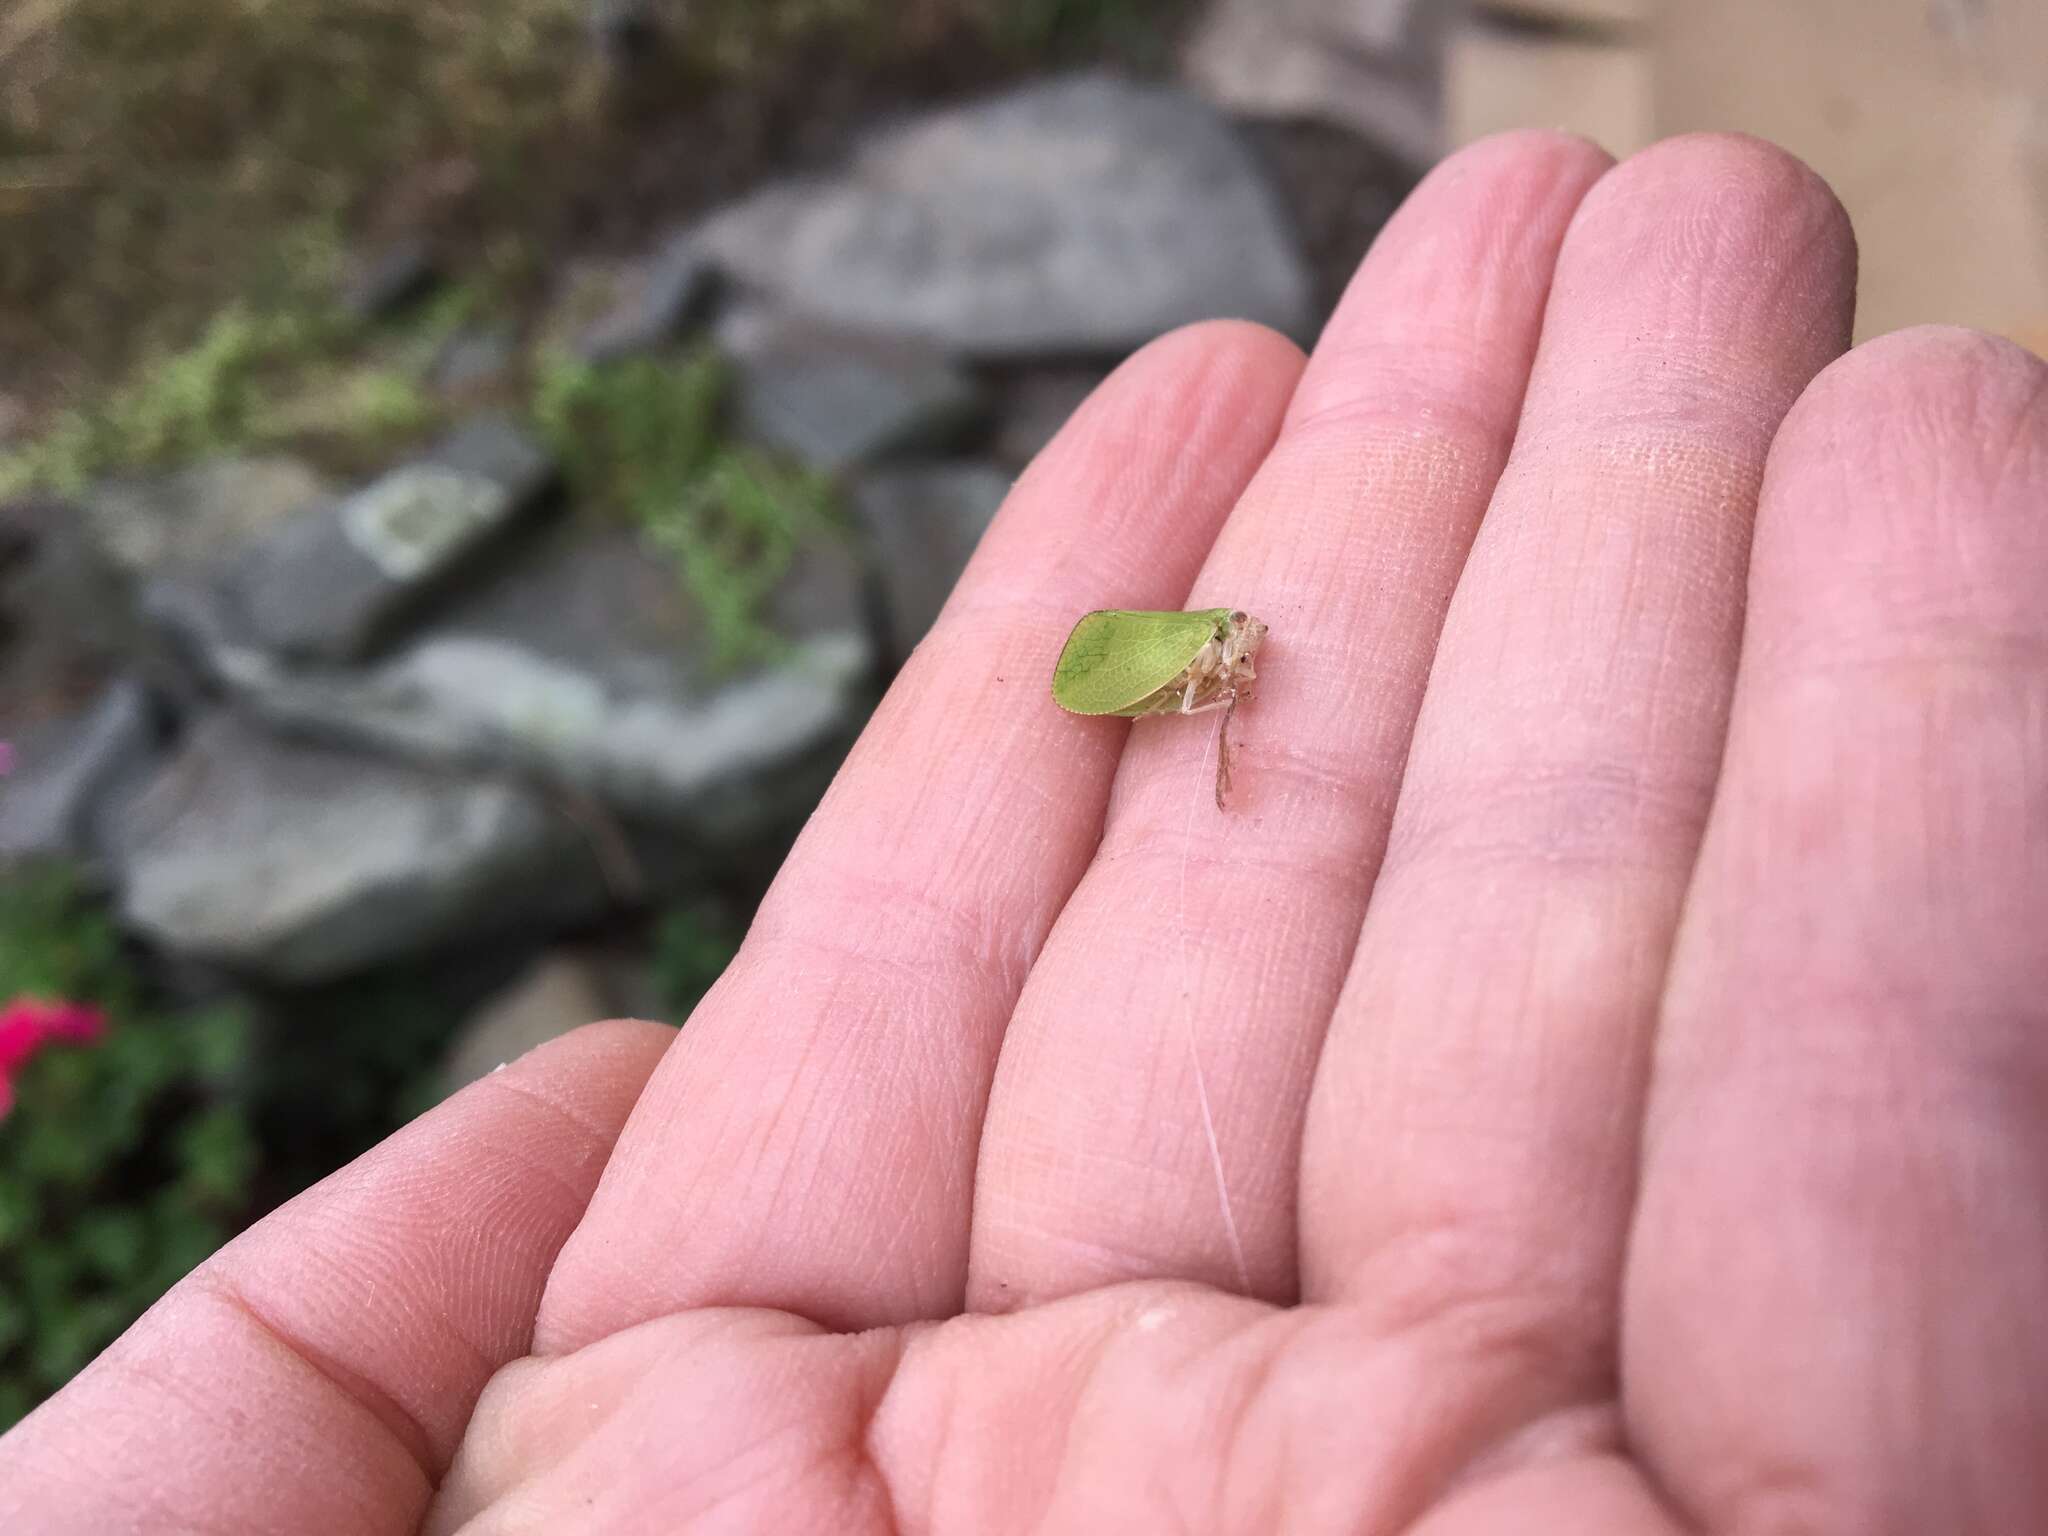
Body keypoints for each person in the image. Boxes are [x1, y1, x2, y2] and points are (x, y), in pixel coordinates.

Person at [4, 131, 2043, 1533]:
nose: (1248, 647)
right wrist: (1213, 698)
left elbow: (1190, 685)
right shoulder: (1188, 675)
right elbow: (1165, 691)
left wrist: (1218, 691)